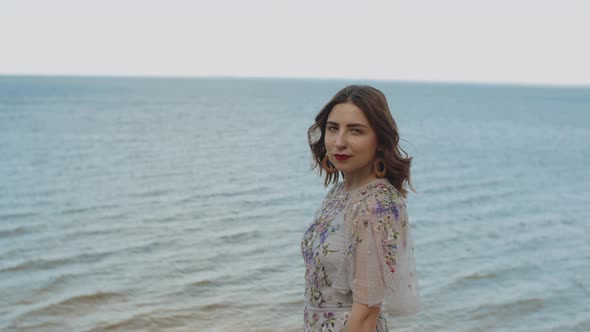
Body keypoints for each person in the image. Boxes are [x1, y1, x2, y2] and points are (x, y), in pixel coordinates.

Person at [301, 85, 419, 332]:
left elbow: (366, 311)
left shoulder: (377, 205)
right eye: (333, 128)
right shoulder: (338, 194)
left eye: (355, 131)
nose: (339, 142)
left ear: (379, 140)